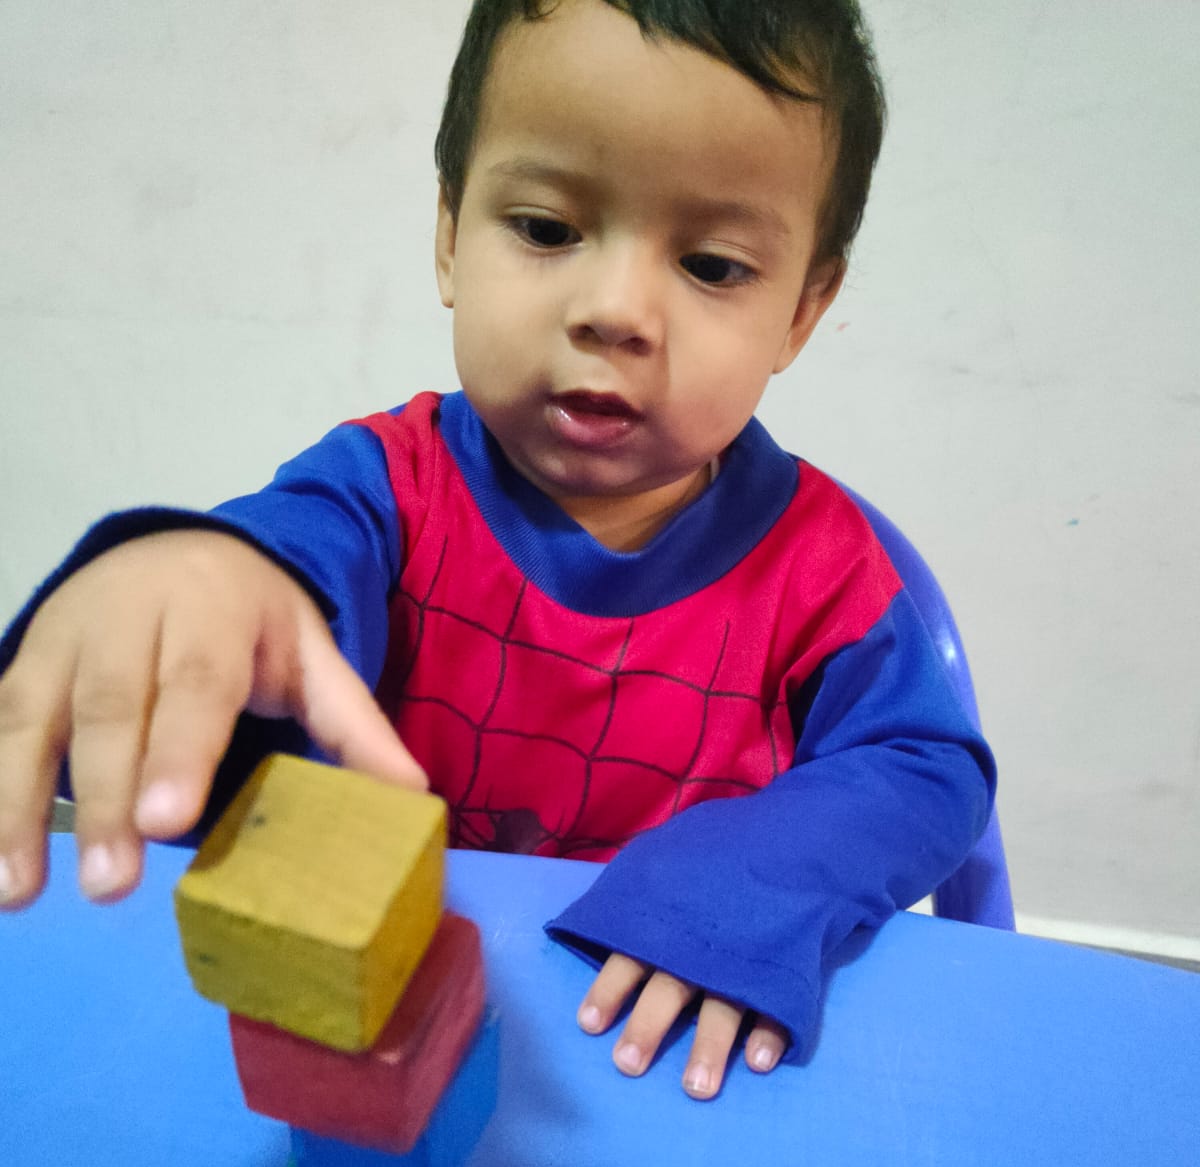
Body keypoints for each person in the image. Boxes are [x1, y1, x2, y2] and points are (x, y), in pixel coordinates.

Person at [0, 0, 995, 1100]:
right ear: (449, 235)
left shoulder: (826, 573)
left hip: (657, 1069)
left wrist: (751, 883)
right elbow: (284, 564)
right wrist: (187, 579)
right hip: (372, 1023)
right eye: (547, 229)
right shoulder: (386, 489)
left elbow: (926, 768)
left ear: (803, 311)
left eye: (712, 264)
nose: (614, 311)